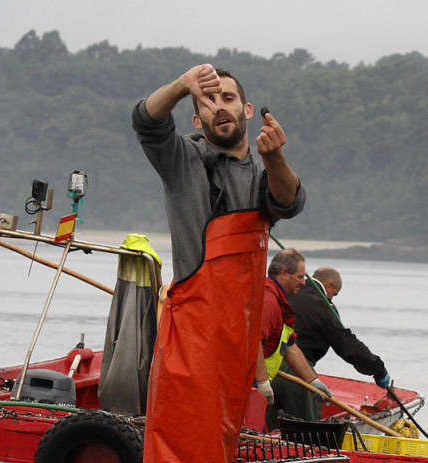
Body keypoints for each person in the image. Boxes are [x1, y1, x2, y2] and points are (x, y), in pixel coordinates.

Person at [132, 64, 306, 462]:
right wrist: (181, 85)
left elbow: (290, 203)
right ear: (197, 118)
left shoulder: (263, 175)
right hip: (192, 343)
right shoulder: (182, 162)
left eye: (228, 98)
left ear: (246, 110)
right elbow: (146, 120)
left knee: (222, 448)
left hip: (238, 350)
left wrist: (276, 156)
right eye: (208, 101)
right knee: (179, 445)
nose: (219, 106)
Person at [270, 266, 390, 423]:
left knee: (272, 437)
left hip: (269, 371)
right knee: (308, 434)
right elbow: (346, 344)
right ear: (329, 285)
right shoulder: (323, 306)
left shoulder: (287, 293)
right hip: (298, 372)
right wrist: (377, 369)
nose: (332, 298)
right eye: (334, 294)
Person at [256, 250, 332, 431]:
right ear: (284, 273)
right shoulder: (268, 300)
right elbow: (254, 342)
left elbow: (290, 347)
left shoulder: (281, 302)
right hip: (248, 383)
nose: (304, 282)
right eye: (299, 276)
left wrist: (313, 382)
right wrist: (263, 383)